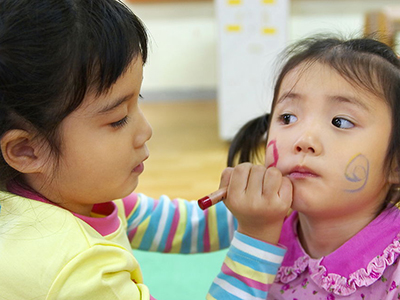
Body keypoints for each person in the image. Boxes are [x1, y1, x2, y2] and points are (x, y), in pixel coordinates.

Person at [0, 0, 293, 299]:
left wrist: (256, 207)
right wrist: (257, 239)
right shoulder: (80, 271)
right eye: (118, 119)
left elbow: (185, 226)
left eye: (137, 99)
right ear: (27, 150)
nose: (145, 131)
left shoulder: (74, 196)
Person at [227, 35, 400, 299]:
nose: (303, 140)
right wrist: (254, 236)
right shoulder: (259, 219)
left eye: (340, 122)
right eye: (288, 117)